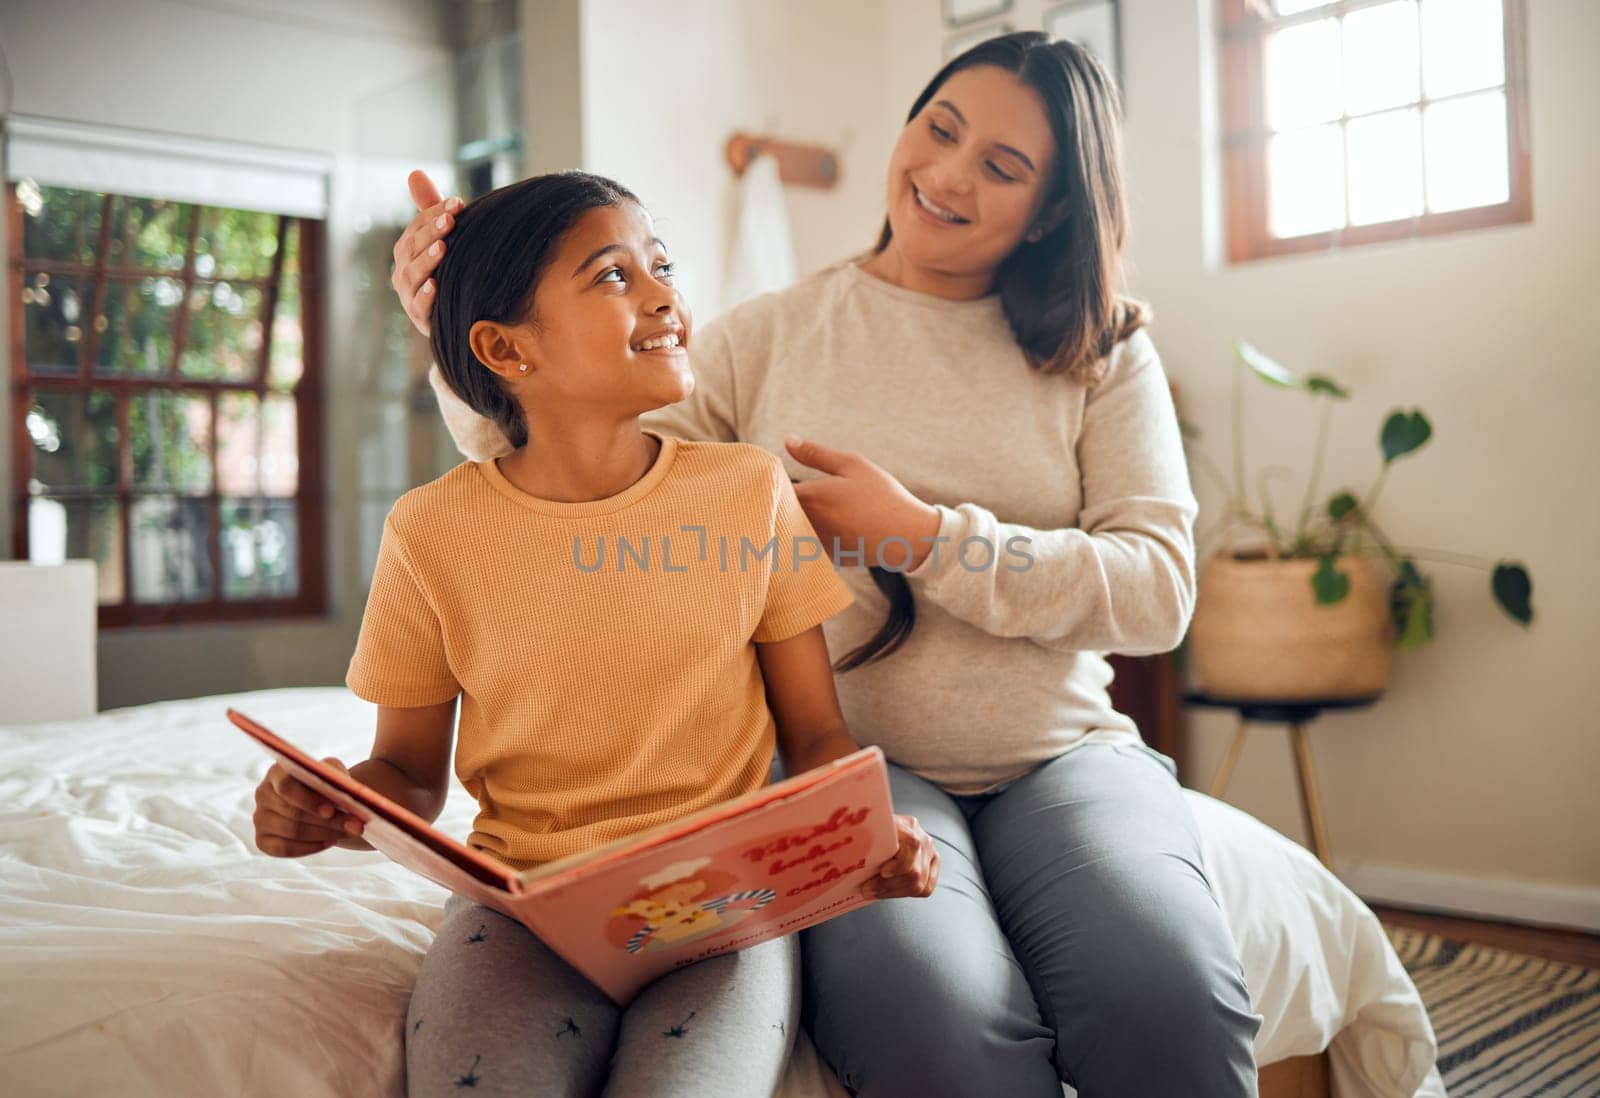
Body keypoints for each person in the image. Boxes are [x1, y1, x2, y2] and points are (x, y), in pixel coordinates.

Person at [391, 31, 1263, 1098]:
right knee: (935, 1019)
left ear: (1050, 210)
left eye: (1000, 166)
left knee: (1168, 994)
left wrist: (926, 541)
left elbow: (1158, 590)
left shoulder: (1103, 350)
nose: (945, 174)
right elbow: (555, 463)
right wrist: (452, 328)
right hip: (844, 770)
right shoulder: (767, 339)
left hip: (1061, 761)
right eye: (938, 130)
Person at [251, 169, 938, 1098]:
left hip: (724, 913)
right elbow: (409, 774)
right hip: (521, 915)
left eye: (661, 265)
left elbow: (816, 736)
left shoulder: (746, 491)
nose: (665, 295)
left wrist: (860, 837)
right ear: (503, 348)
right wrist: (336, 805)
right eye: (614, 277)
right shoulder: (430, 531)